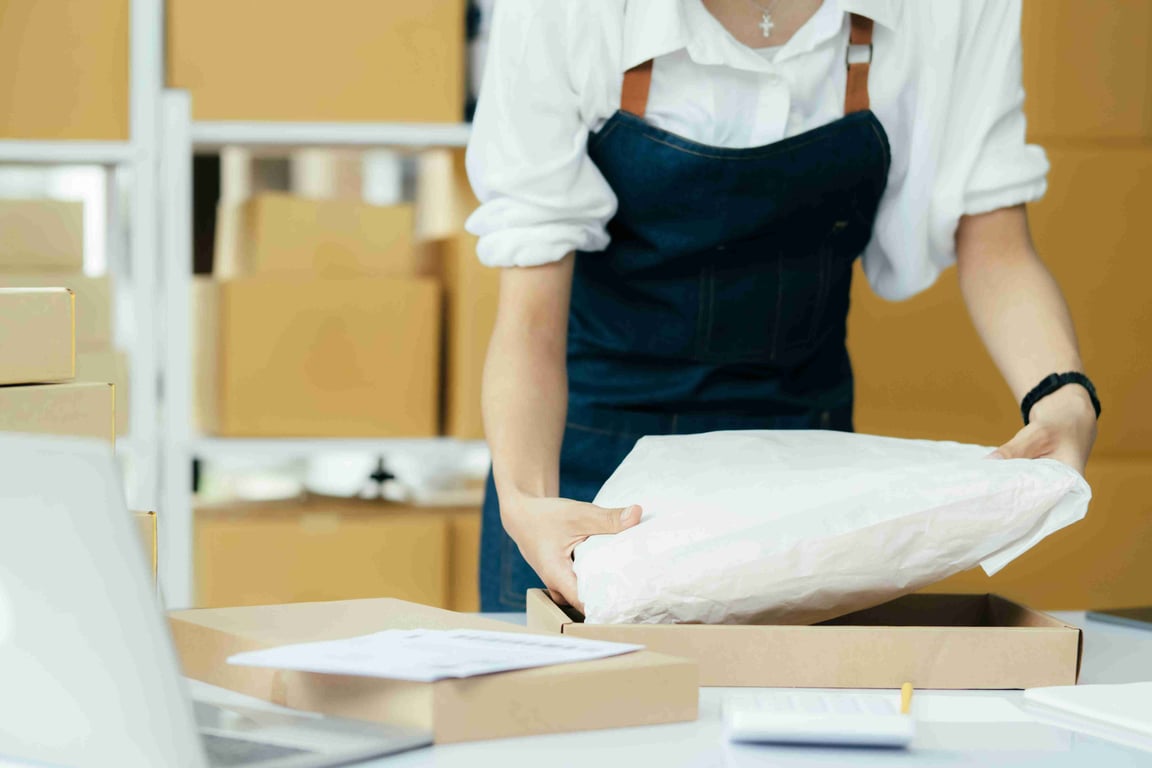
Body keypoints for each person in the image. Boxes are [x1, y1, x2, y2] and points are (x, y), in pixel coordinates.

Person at [465, 0, 1100, 613]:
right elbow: (530, 318)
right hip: (584, 472)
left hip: (801, 477)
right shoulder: (562, 8)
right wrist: (525, 502)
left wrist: (1063, 397)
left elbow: (996, 244)